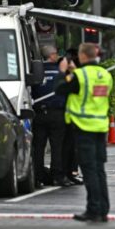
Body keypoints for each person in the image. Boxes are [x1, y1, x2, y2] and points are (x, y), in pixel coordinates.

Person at [55, 43, 113, 223]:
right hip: (100, 128)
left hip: (84, 127)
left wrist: (63, 72)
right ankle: (103, 209)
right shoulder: (105, 74)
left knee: (89, 171)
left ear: (82, 56)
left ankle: (93, 209)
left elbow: (59, 88)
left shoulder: (80, 76)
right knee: (99, 170)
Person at [31, 45, 72, 187]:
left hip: (39, 113)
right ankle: (57, 176)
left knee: (38, 147)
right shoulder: (60, 73)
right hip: (57, 113)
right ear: (53, 55)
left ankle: (37, 176)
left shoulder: (36, 72)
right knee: (57, 147)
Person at [62, 48, 82, 185]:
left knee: (72, 147)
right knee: (68, 147)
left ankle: (71, 172)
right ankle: (67, 173)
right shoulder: (68, 77)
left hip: (73, 117)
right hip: (68, 118)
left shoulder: (73, 76)